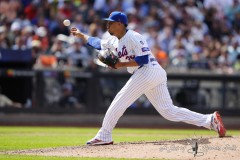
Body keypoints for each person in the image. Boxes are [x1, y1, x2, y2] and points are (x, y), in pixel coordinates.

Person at [70, 11, 226, 145]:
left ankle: (104, 135)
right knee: (168, 112)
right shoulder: (113, 41)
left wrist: (120, 65)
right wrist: (82, 35)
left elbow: (143, 59)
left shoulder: (133, 36)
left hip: (147, 70)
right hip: (152, 74)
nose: (107, 26)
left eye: (110, 23)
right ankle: (210, 120)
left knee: (120, 99)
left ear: (119, 24)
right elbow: (98, 43)